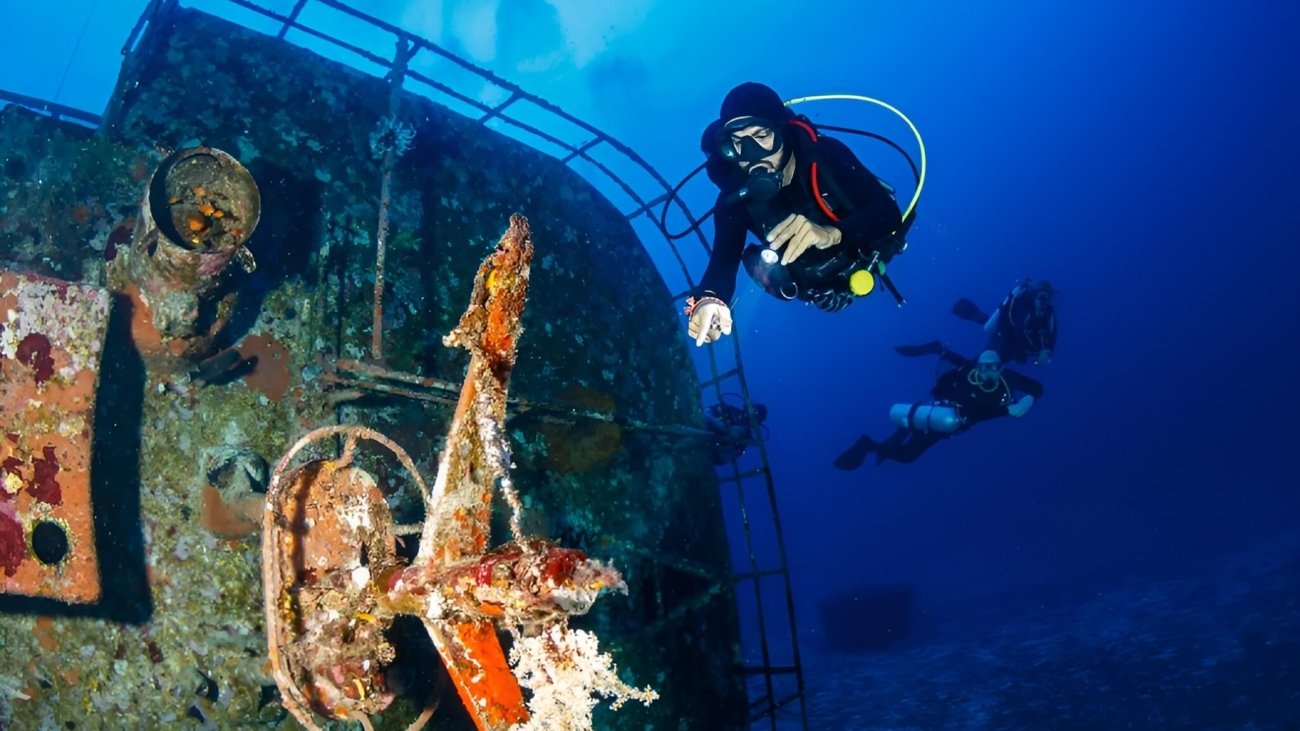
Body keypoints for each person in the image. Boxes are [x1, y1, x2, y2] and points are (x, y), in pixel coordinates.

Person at [686, 82, 910, 346]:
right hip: (808, 284)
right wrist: (710, 299)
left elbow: (887, 212)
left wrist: (833, 234)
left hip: (860, 255)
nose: (753, 156)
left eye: (761, 136)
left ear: (782, 130)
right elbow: (722, 262)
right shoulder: (735, 197)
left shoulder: (825, 156)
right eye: (738, 142)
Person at [833, 349, 1041, 468]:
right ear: (978, 367)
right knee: (907, 456)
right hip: (943, 419)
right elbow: (973, 411)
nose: (990, 372)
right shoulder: (964, 380)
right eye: (985, 366)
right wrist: (1007, 411)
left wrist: (1028, 399)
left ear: (1001, 368)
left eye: (995, 367)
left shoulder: (1007, 379)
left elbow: (1037, 387)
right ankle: (868, 444)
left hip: (949, 421)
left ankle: (891, 439)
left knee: (902, 445)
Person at [950, 278, 1057, 365]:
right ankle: (944, 353)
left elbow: (1052, 338)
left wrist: (1043, 355)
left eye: (1048, 297)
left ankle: (980, 317)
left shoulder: (1049, 315)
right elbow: (1003, 321)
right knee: (979, 365)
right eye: (1042, 296)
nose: (1044, 301)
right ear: (1034, 295)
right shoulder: (1022, 306)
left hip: (1019, 347)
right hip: (1004, 338)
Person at [705, 399, 768, 465]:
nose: (747, 415)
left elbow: (723, 458)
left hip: (710, 451)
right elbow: (707, 412)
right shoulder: (731, 411)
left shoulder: (746, 437)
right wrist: (722, 426)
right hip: (706, 429)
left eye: (754, 413)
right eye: (752, 409)